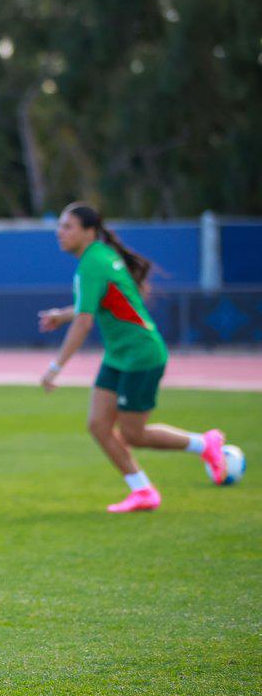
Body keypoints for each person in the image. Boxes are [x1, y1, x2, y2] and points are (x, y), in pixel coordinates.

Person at [38, 202, 230, 512]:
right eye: (59, 226)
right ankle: (143, 492)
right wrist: (61, 315)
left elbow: (85, 322)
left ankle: (204, 443)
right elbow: (96, 305)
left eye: (67, 226)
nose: (60, 233)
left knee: (134, 434)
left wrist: (54, 367)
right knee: (99, 425)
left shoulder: (93, 262)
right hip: (119, 356)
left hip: (141, 355)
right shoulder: (97, 257)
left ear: (89, 231)